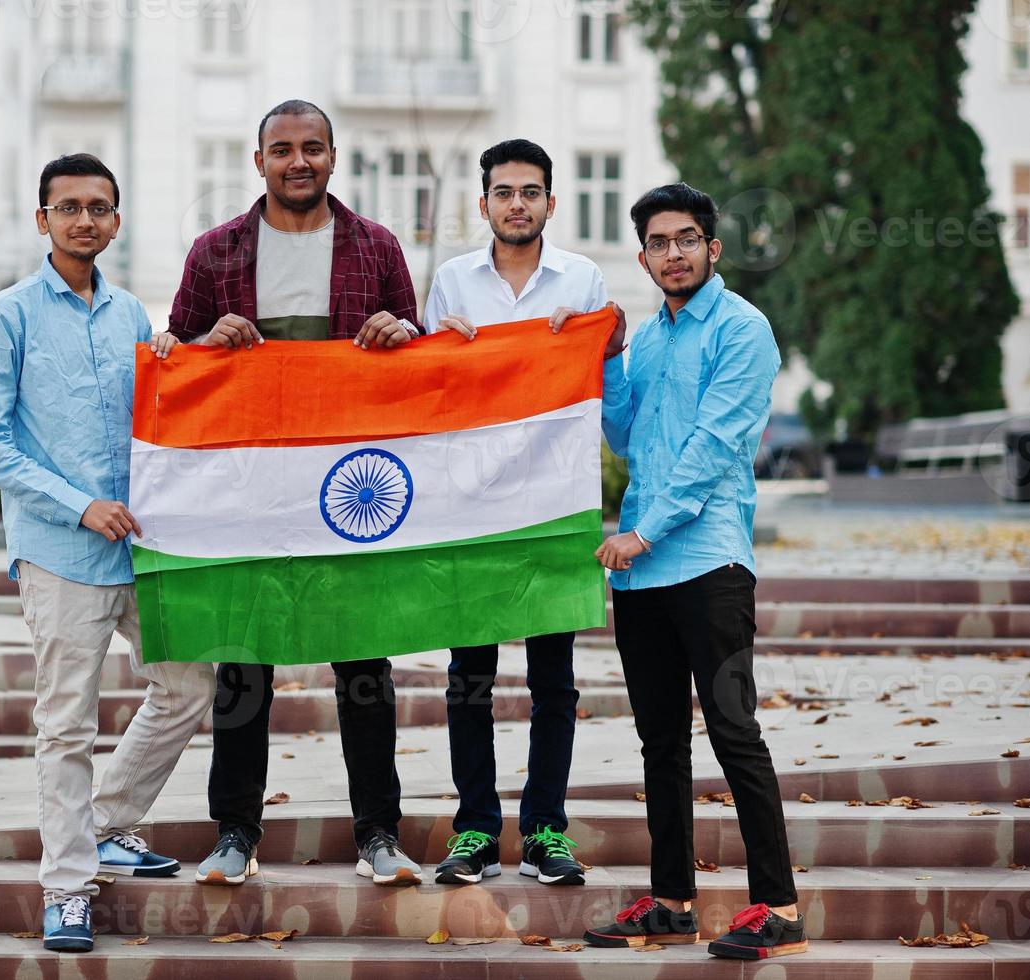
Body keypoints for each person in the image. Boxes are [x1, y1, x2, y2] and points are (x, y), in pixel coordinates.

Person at [167, 99, 425, 887]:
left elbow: (421, 369)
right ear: (259, 162)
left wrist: (400, 337)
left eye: (312, 148)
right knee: (243, 665)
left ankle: (378, 834)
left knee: (363, 663)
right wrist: (205, 346)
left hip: (350, 491)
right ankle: (235, 833)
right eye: (282, 150)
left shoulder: (375, 249)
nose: (298, 162)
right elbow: (173, 361)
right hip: (251, 495)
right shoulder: (215, 255)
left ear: (333, 156)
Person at [0, 153, 216, 954]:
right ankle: (66, 889)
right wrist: (80, 505)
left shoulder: (131, 316)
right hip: (57, 552)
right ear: (42, 220)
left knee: (188, 684)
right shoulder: (5, 315)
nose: (83, 219)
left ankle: (106, 824)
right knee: (66, 727)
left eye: (97, 207)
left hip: (138, 550)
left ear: (115, 219)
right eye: (67, 207)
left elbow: (156, 417)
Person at [577, 183, 805, 959]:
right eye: (657, 243)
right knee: (658, 743)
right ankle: (671, 901)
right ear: (642, 257)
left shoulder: (742, 330)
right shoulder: (647, 338)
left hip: (708, 563)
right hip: (643, 578)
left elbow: (712, 447)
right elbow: (624, 437)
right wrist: (606, 359)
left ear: (712, 248)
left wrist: (640, 532)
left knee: (734, 731)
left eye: (685, 239)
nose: (671, 253)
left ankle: (777, 906)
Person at [422, 138, 624, 889]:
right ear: (483, 205)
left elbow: (603, 379)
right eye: (503, 192)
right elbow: (433, 395)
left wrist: (605, 337)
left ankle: (544, 829)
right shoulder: (450, 282)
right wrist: (443, 350)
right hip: (468, 506)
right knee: (468, 675)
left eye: (530, 191)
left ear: (548, 203)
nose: (516, 203)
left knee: (554, 681)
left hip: (551, 503)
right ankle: (474, 827)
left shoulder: (581, 280)